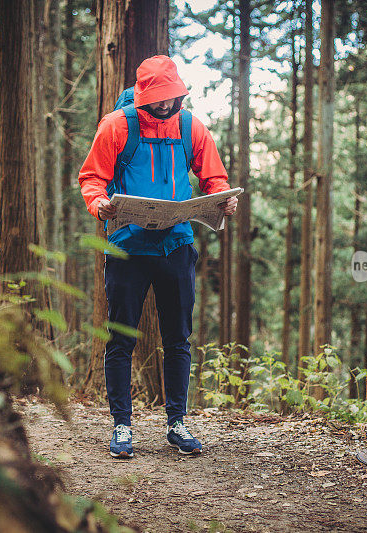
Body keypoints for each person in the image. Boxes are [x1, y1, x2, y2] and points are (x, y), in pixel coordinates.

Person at [78, 55, 237, 458]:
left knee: (178, 338)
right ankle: (121, 427)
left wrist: (222, 199)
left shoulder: (190, 127)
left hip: (177, 245)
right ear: (144, 94)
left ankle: (177, 423)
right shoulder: (117, 126)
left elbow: (213, 176)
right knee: (121, 338)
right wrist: (100, 205)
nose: (166, 105)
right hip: (127, 246)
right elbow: (92, 177)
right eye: (159, 98)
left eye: (172, 97)